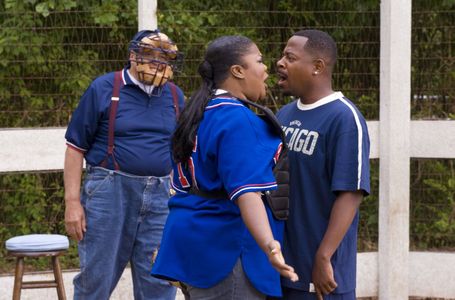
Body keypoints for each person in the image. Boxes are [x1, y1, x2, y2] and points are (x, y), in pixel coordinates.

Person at [151, 35, 299, 299]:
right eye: (259, 60)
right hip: (225, 248)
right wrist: (270, 247)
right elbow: (247, 193)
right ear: (238, 71)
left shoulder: (199, 110)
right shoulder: (236, 118)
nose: (266, 68)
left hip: (192, 238)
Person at [63, 29, 184, 300]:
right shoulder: (104, 88)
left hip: (161, 197)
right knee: (96, 278)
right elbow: (75, 148)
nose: (158, 62)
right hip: (109, 193)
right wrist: (72, 202)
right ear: (133, 55)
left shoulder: (175, 96)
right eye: (150, 54)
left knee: (160, 280)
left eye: (164, 56)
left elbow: (183, 152)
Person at [275, 30, 370, 300]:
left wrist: (323, 256)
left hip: (322, 277)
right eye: (283, 55)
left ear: (317, 67)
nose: (280, 62)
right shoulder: (284, 114)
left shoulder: (344, 118)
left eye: (290, 57)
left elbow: (351, 193)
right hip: (283, 268)